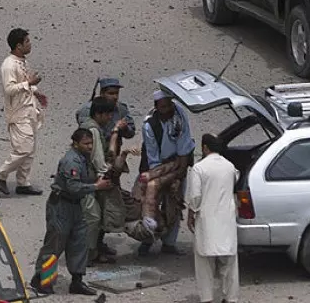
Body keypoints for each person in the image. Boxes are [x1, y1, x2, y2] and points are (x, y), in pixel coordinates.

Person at [30, 128, 111, 296]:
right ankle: (42, 280)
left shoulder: (83, 159)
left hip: (76, 206)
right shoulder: (71, 161)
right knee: (55, 244)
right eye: (86, 143)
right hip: (61, 206)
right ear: (76, 143)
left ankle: (77, 281)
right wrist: (96, 186)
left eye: (91, 143)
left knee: (79, 243)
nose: (89, 146)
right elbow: (73, 187)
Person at [139, 89, 196, 257]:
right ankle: (147, 240)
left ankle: (169, 243)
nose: (167, 110)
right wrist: (164, 177)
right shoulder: (149, 125)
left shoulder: (179, 115)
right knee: (150, 203)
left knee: (175, 203)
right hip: (156, 166)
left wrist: (178, 176)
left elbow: (184, 145)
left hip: (178, 163)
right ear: (156, 107)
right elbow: (152, 155)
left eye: (169, 105)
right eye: (163, 107)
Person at [0, 28, 47, 196]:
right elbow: (9, 89)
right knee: (23, 149)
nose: (30, 44)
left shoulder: (22, 61)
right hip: (17, 113)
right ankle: (1, 174)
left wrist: (36, 91)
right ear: (18, 45)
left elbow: (25, 82)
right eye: (27, 42)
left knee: (30, 150)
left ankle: (23, 182)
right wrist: (29, 84)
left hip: (29, 110)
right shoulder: (8, 65)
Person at [187, 134, 239, 303]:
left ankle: (207, 298)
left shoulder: (199, 168)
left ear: (205, 148)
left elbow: (195, 197)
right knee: (229, 263)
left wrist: (191, 214)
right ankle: (230, 298)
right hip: (226, 221)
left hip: (207, 220)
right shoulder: (230, 166)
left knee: (204, 263)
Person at [78, 97, 117, 264]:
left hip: (85, 178)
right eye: (107, 115)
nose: (109, 118)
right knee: (93, 217)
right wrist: (105, 173)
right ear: (99, 114)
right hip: (87, 180)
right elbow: (98, 159)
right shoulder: (93, 130)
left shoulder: (87, 123)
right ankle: (86, 255)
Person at [76, 77, 136, 145]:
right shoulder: (87, 110)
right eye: (111, 93)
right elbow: (84, 135)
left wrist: (125, 128)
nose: (115, 97)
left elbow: (131, 133)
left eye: (117, 93)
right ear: (102, 94)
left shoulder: (121, 109)